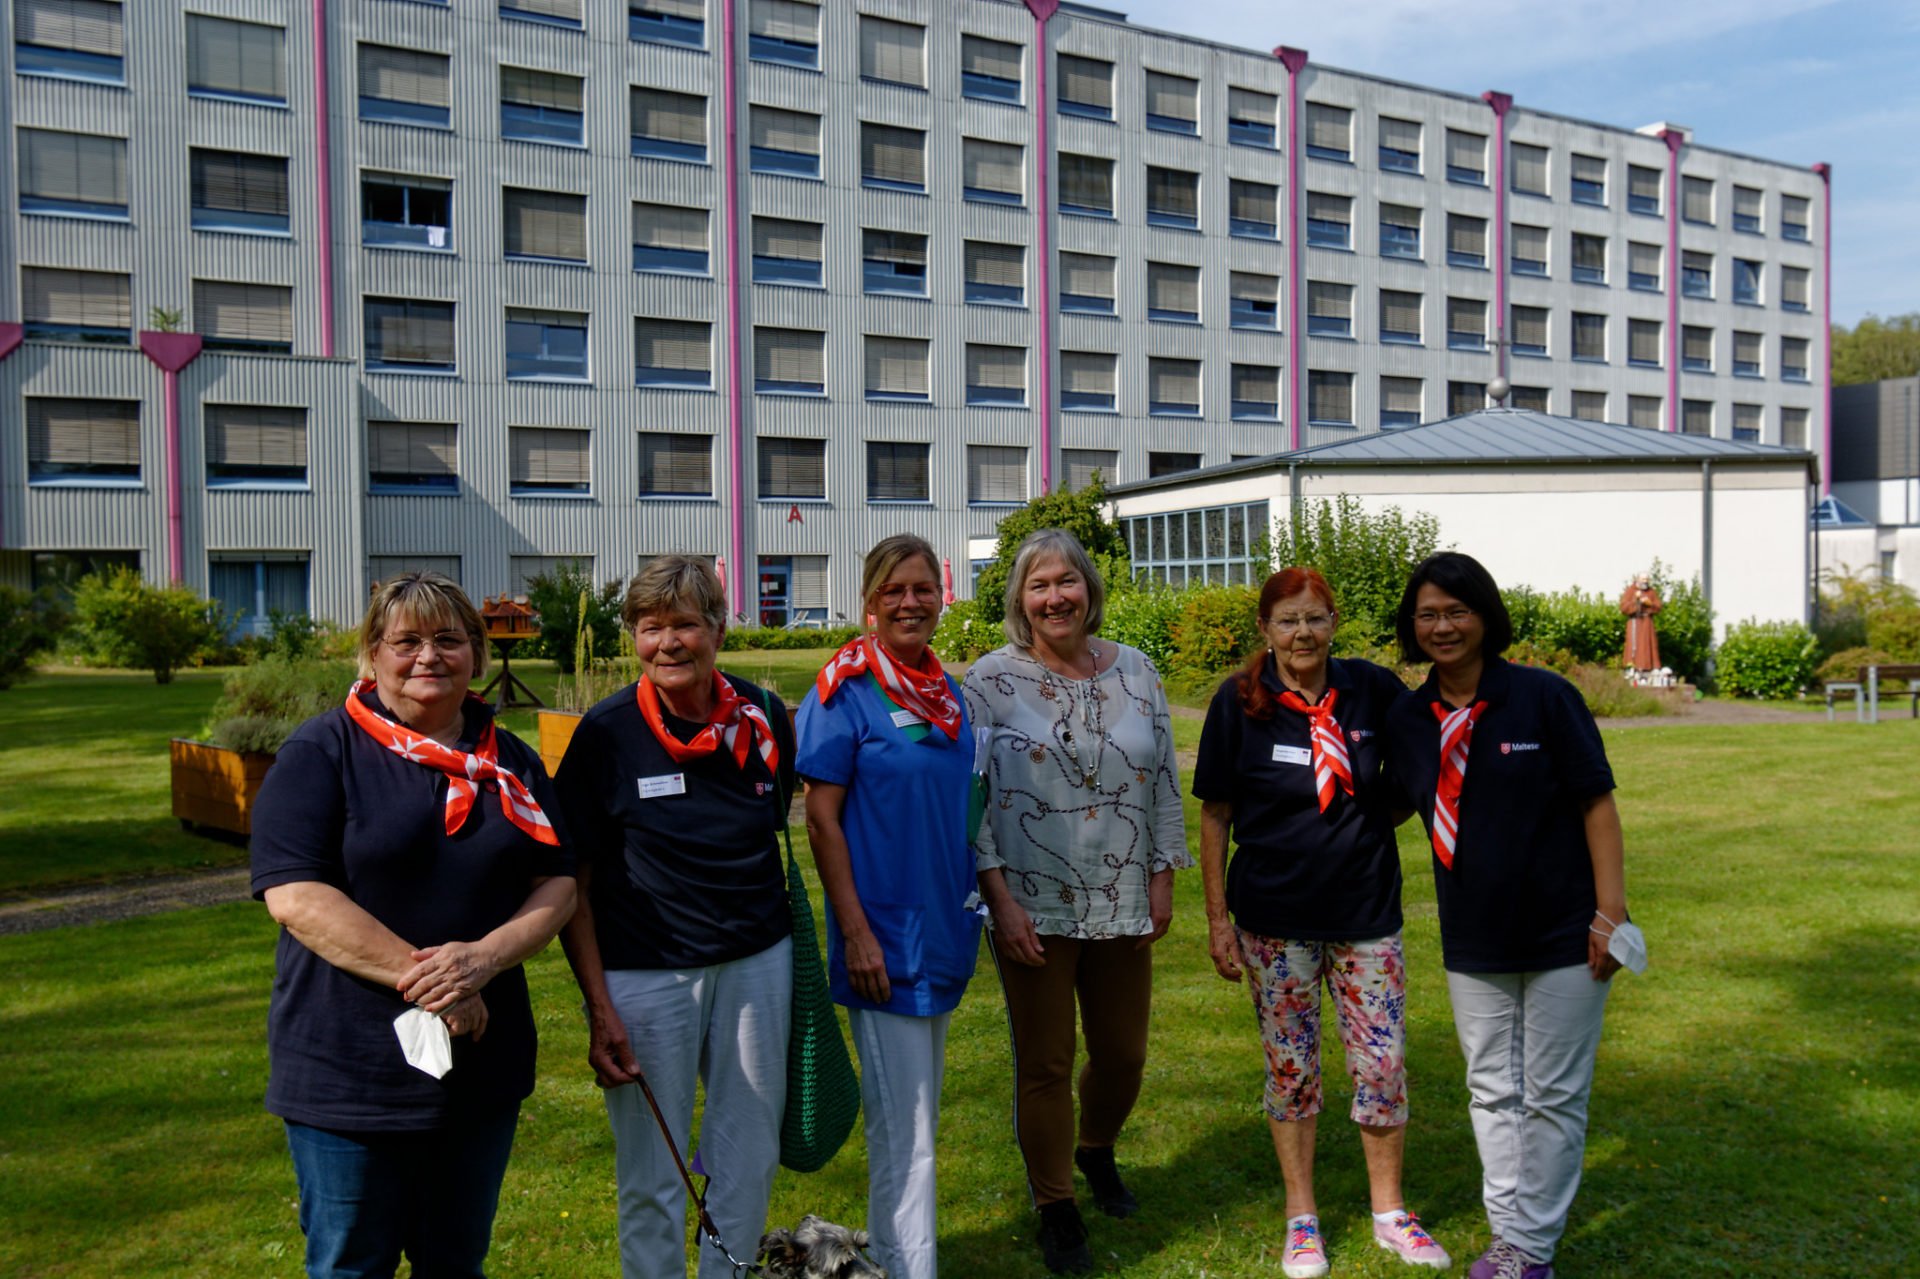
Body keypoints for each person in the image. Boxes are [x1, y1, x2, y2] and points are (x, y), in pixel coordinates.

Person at [250, 570, 577, 1279]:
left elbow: (558, 882)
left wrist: (482, 961)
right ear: (373, 655)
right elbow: (295, 895)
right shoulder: (322, 751)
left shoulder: (511, 761)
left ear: (476, 656)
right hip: (350, 1071)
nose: (428, 656)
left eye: (448, 639)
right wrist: (441, 983)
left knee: (455, 1263)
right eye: (407, 642)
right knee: (351, 1267)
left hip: (479, 1069)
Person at [1193, 567, 1451, 1279]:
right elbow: (1215, 814)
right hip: (1274, 920)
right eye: (1287, 621)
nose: (1302, 633)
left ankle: (1390, 1212)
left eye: (1314, 618)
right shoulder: (1237, 703)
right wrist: (1217, 920)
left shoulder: (1372, 689)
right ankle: (1301, 1219)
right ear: (1265, 630)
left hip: (1365, 912)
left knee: (1382, 1064)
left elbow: (1418, 761)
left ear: (1334, 623)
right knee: (1291, 1068)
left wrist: (1374, 816)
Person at [1384, 552, 1630, 1279]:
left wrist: (1610, 914)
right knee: (1492, 1090)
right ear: (1412, 625)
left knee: (1553, 1094)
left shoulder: (1544, 697)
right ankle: (1512, 1236)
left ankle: (1529, 1246)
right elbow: (1387, 803)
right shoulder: (1408, 718)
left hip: (1566, 932)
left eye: (1457, 611)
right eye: (1428, 614)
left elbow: (1597, 804)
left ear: (1485, 615)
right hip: (1474, 936)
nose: (1443, 626)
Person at [555, 555, 796, 1279]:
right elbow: (572, 882)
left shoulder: (762, 715)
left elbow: (771, 818)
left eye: (684, 624)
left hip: (756, 962)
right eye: (648, 627)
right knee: (652, 1171)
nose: (667, 643)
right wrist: (599, 1005)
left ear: (718, 630)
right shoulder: (606, 733)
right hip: (646, 974)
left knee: (748, 1154)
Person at [961, 528, 1190, 1275]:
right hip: (1032, 901)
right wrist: (997, 898)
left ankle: (1095, 1149)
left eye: (1067, 581)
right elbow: (974, 801)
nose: (1055, 597)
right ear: (1019, 599)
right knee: (1047, 1060)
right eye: (1039, 585)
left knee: (1123, 1054)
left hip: (1122, 894)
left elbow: (1164, 780)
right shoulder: (989, 681)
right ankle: (1055, 1204)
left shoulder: (1139, 669)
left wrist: (1163, 874)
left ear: (1089, 589)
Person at [795, 533, 982, 1279]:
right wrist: (856, 933)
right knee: (907, 1133)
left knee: (917, 1122)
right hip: (883, 940)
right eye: (893, 590)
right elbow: (821, 820)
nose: (910, 602)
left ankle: (894, 1256)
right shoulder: (844, 693)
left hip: (942, 930)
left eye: (923, 588)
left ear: (941, 597)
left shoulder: (946, 693)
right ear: (870, 601)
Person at [1617, 575, 1662, 675]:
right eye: (1643, 579)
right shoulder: (1630, 591)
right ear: (1638, 580)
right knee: (1634, 646)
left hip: (1647, 623)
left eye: (1647, 580)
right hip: (1634, 622)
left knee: (1648, 645)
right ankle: (1632, 668)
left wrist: (1649, 604)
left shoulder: (1651, 592)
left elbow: (1658, 607)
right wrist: (1636, 600)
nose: (1645, 582)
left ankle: (1650, 668)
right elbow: (1624, 608)